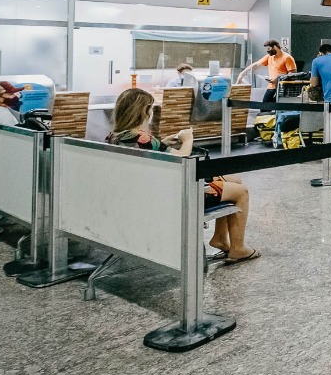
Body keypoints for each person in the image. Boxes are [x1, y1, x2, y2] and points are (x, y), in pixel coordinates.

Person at [106, 88, 257, 263]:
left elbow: (144, 152)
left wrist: (161, 144)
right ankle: (238, 248)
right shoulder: (145, 139)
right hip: (170, 196)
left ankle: (220, 238)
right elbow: (182, 159)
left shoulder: (114, 137)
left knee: (234, 179)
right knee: (241, 191)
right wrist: (188, 140)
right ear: (144, 111)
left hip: (145, 190)